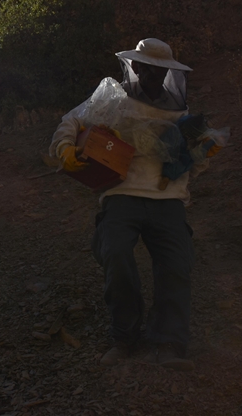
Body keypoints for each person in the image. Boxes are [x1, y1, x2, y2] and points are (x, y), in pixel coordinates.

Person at [50, 38, 206, 371]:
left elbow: (194, 156)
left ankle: (170, 343)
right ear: (134, 66)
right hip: (121, 193)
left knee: (177, 265)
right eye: (147, 69)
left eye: (159, 71)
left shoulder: (179, 110)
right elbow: (70, 121)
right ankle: (124, 336)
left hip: (168, 198)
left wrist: (202, 150)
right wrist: (65, 148)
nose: (152, 76)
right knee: (116, 253)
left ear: (168, 73)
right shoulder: (111, 98)